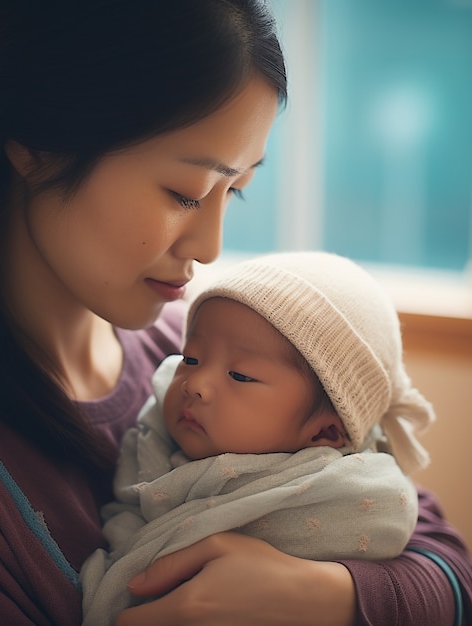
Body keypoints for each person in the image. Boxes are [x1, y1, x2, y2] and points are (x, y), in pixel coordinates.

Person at [0, 0, 470, 624]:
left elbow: (447, 565)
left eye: (237, 191)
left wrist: (324, 595)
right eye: (185, 193)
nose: (210, 248)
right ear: (39, 141)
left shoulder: (193, 353)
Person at [80, 250, 433, 625]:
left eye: (241, 376)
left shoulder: (349, 489)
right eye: (192, 358)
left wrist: (334, 594)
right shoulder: (153, 429)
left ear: (325, 432)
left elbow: (449, 568)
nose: (196, 385)